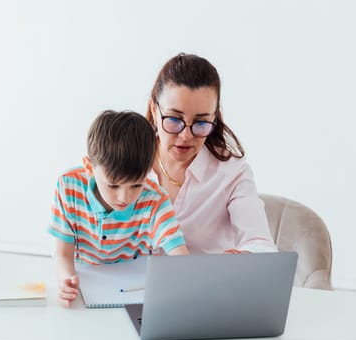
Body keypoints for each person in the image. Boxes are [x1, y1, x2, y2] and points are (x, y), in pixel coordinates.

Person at [48, 110, 189, 307]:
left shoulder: (155, 199)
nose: (125, 198)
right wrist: (66, 279)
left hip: (134, 291)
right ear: (89, 168)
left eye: (136, 185)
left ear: (148, 172)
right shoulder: (68, 186)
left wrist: (189, 280)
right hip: (86, 282)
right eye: (113, 186)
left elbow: (177, 251)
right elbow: (62, 254)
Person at [145, 53, 277, 254]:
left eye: (201, 123)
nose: (186, 135)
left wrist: (236, 258)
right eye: (174, 119)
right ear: (154, 110)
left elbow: (262, 245)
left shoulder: (232, 173)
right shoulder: (122, 159)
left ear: (214, 118)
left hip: (206, 285)